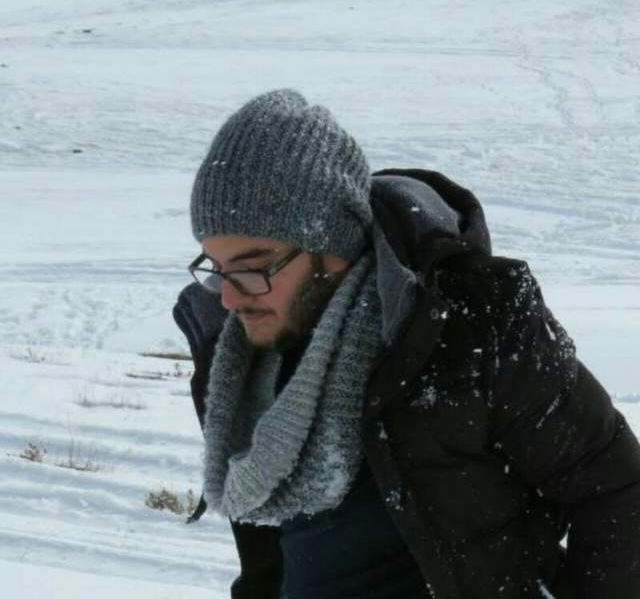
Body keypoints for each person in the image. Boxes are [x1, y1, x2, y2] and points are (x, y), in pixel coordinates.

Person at [172, 89, 640, 599]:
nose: (229, 299)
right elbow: (268, 561)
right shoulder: (239, 366)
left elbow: (617, 492)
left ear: (332, 245)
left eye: (255, 266)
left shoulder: (471, 323)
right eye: (217, 268)